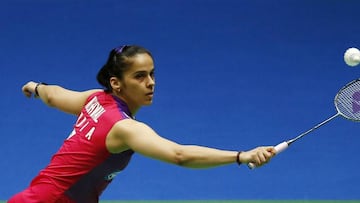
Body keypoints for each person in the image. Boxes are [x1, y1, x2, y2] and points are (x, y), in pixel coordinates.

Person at [8, 45, 276, 203]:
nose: (151, 83)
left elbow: (55, 96)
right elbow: (179, 155)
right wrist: (241, 156)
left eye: (151, 74)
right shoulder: (124, 128)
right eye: (139, 76)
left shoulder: (96, 99)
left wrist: (36, 86)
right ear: (117, 83)